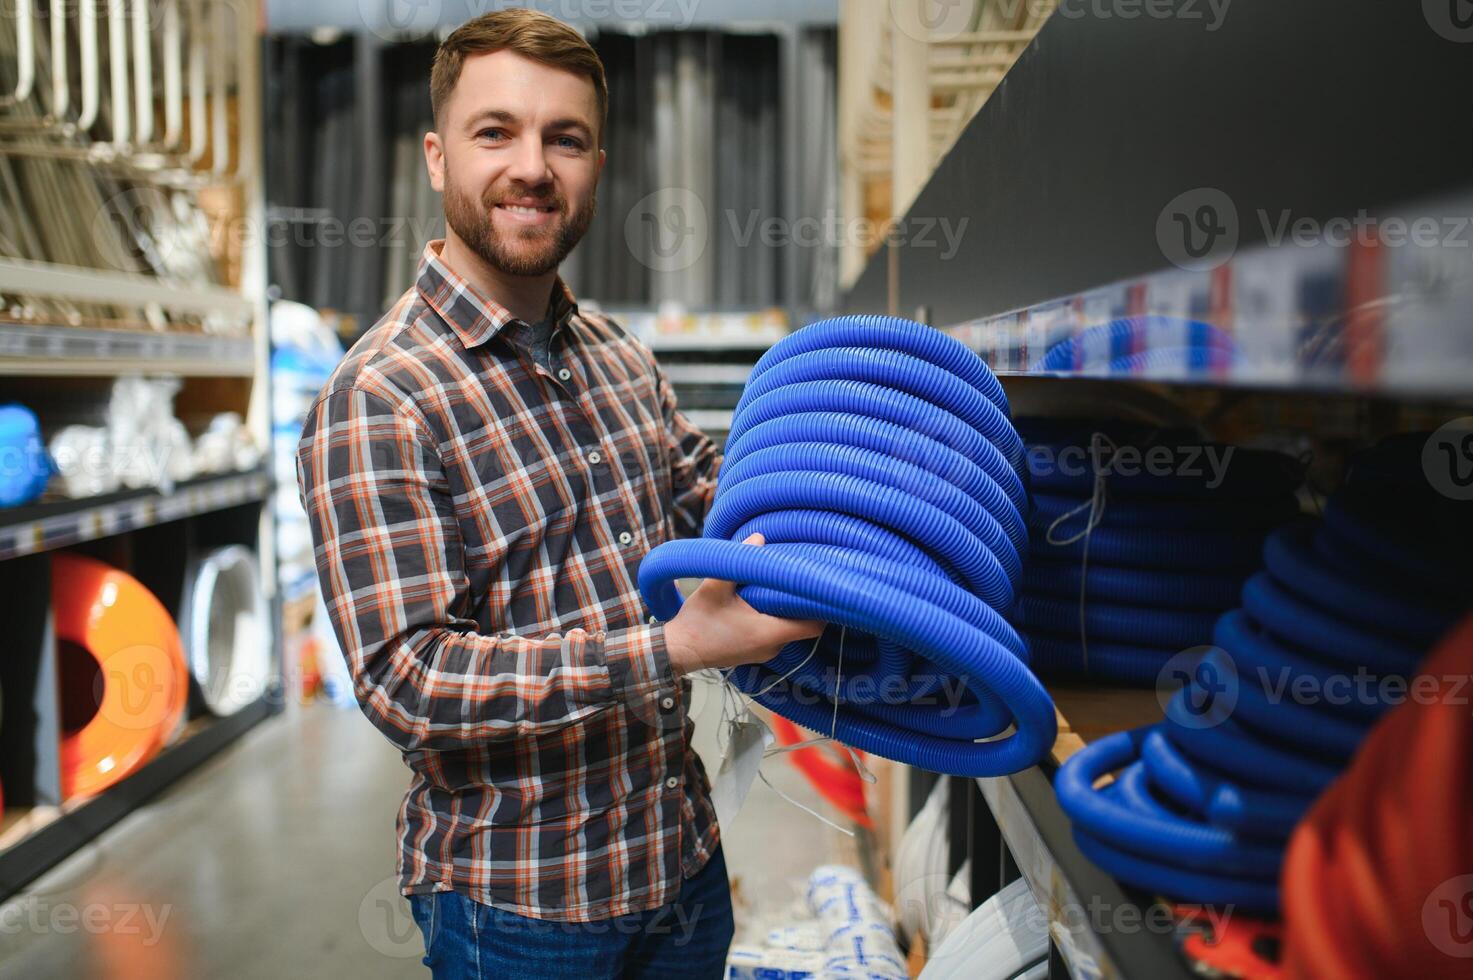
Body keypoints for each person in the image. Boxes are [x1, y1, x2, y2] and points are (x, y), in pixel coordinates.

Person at [294, 9, 822, 979]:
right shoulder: (379, 397)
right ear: (435, 158)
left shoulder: (621, 359)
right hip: (521, 906)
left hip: (681, 866)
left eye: (564, 138)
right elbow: (407, 678)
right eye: (495, 131)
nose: (532, 166)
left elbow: (724, 502)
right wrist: (669, 647)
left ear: (596, 164)